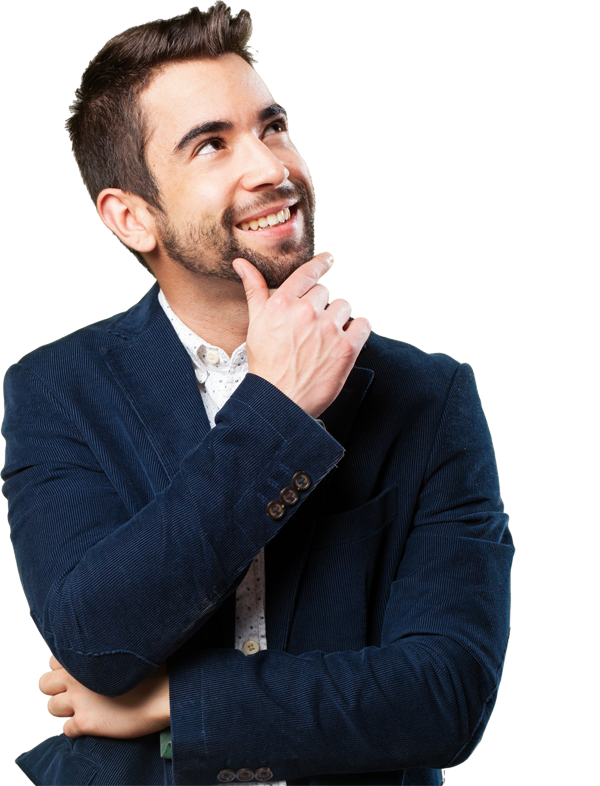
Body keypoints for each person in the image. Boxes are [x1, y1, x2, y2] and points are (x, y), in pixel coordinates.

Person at [2, 4, 514, 786]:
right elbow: (98, 642)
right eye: (212, 144)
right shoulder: (54, 391)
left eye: (272, 127)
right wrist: (275, 411)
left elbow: (446, 696)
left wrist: (172, 703)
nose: (272, 167)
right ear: (132, 217)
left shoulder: (428, 396)